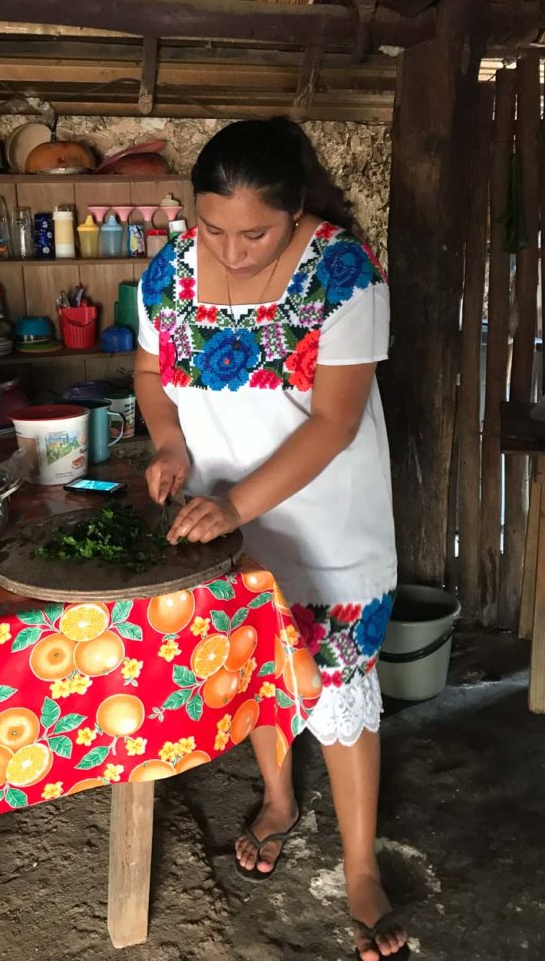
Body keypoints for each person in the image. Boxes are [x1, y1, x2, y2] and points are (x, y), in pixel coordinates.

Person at [134, 117, 407, 961]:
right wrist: (170, 444)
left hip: (327, 527)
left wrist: (238, 504)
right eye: (214, 227)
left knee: (340, 691)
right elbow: (151, 374)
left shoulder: (343, 274)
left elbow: (333, 421)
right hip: (228, 526)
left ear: (295, 211)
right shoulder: (170, 269)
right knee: (262, 669)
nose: (232, 247)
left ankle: (361, 868)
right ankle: (280, 800)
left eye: (254, 232)